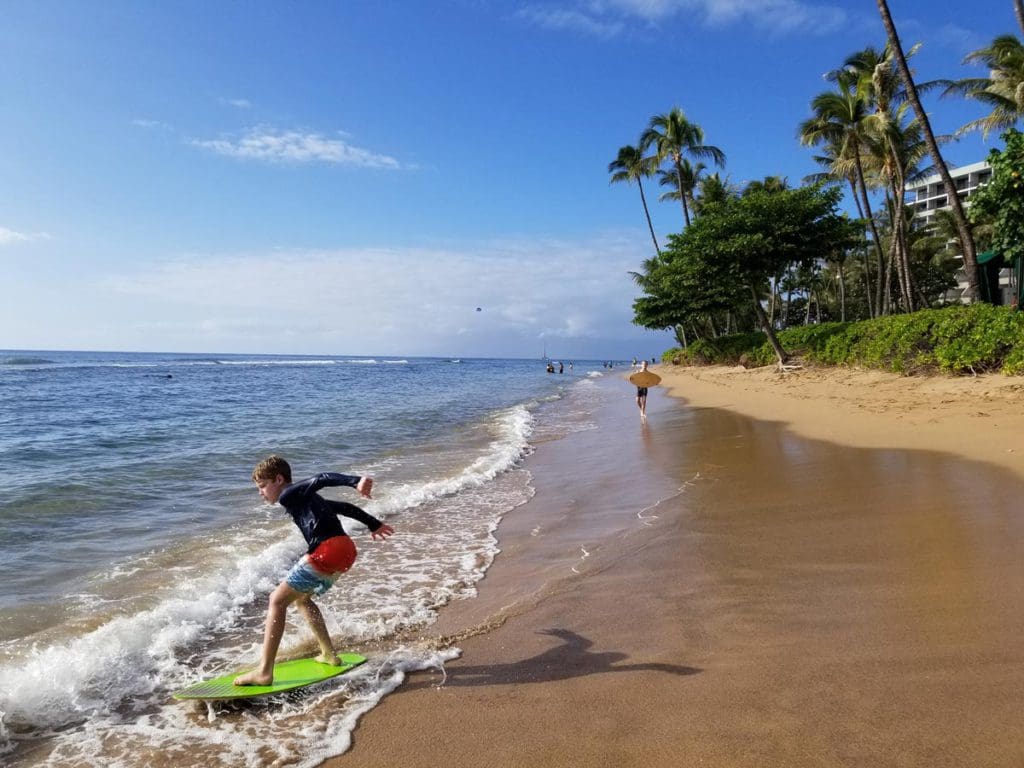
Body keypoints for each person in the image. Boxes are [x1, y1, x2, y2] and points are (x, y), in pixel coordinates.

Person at [234, 455, 394, 686]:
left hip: (327, 549)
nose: (260, 492)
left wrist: (355, 481)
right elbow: (346, 508)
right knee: (302, 599)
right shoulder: (307, 500)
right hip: (346, 549)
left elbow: (321, 478)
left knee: (276, 601)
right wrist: (374, 524)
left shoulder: (288, 494)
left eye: (262, 486)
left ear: (279, 479)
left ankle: (264, 672)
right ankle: (329, 654)